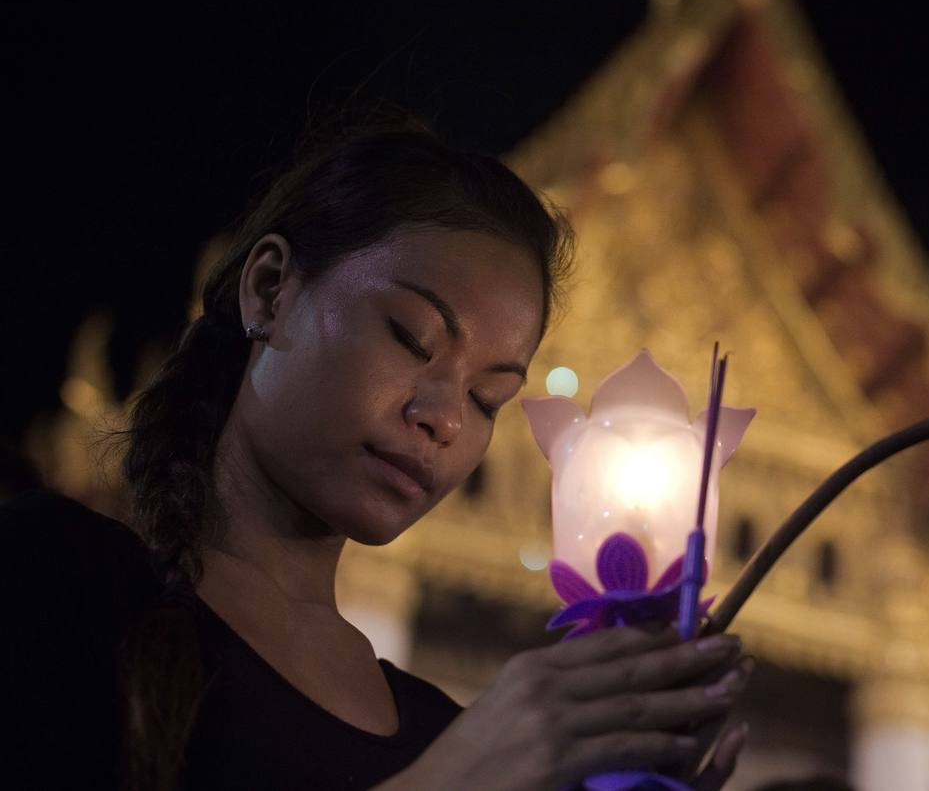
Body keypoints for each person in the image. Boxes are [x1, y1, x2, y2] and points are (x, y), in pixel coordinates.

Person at [1, 114, 753, 790]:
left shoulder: (436, 731)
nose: (444, 421)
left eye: (487, 399)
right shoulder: (54, 577)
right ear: (270, 290)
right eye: (410, 339)